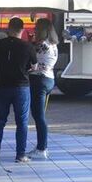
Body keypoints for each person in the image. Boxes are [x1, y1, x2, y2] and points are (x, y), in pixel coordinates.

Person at [0, 17, 37, 163]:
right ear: (22, 30)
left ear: (9, 28)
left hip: (2, 86)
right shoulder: (27, 46)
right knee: (21, 121)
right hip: (21, 87)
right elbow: (34, 66)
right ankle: (20, 155)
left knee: (0, 120)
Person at [28, 18, 58, 160]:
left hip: (39, 79)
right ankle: (42, 145)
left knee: (38, 116)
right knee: (40, 115)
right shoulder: (53, 45)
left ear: (41, 30)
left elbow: (31, 59)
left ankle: (42, 148)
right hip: (49, 78)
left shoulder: (42, 45)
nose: (34, 29)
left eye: (36, 27)